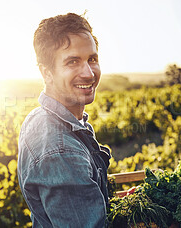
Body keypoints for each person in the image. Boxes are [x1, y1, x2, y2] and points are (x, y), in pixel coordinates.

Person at [17, 13, 111, 227]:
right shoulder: (61, 151)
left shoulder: (40, 117)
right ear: (47, 73)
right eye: (73, 62)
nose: (88, 73)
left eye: (92, 59)